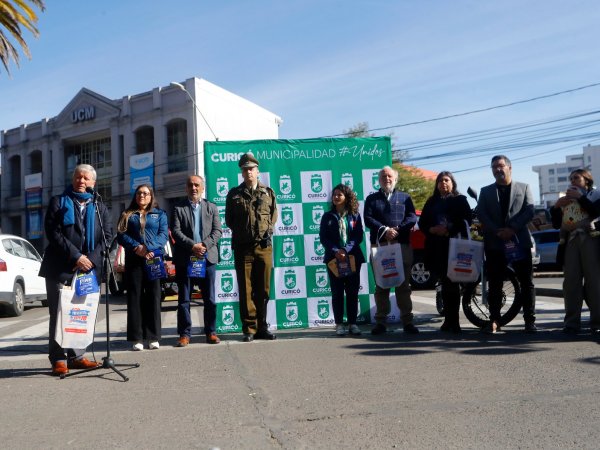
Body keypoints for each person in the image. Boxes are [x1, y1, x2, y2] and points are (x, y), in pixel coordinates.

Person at [39, 164, 113, 376]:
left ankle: (77, 356)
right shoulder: (59, 202)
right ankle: (59, 358)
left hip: (87, 269)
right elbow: (53, 233)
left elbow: (108, 237)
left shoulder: (99, 206)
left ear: (93, 183)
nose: (81, 181)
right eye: (78, 177)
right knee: (59, 313)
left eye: (86, 178)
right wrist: (77, 257)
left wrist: (90, 260)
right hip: (60, 267)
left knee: (80, 313)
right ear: (73, 180)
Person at [477, 155, 536, 333]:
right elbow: (482, 214)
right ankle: (494, 320)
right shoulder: (485, 191)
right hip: (495, 243)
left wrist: (512, 229)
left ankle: (529, 321)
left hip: (519, 242)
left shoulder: (524, 187)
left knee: (526, 282)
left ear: (509, 167)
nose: (497, 169)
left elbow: (529, 211)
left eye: (501, 166)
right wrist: (497, 231)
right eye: (494, 167)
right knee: (495, 283)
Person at [225, 153, 277, 342]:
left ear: (257, 171)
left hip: (263, 247)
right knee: (246, 290)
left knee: (263, 289)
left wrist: (264, 232)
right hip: (243, 248)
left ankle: (262, 327)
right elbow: (229, 220)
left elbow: (273, 216)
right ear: (242, 172)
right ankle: (249, 328)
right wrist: (244, 232)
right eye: (245, 169)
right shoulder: (234, 194)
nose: (248, 172)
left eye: (251, 169)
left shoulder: (268, 192)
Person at [364, 166, 419, 334]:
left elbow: (412, 217)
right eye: (383, 176)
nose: (386, 179)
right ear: (379, 180)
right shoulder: (371, 199)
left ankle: (407, 322)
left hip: (402, 245)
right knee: (382, 286)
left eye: (389, 176)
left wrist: (398, 229)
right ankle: (381, 322)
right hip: (380, 247)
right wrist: (385, 230)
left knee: (403, 286)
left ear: (395, 179)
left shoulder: (405, 197)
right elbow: (368, 218)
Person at [171, 175, 222, 346]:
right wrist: (193, 246)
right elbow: (176, 232)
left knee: (210, 299)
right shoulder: (178, 208)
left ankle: (211, 332)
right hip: (185, 259)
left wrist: (204, 245)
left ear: (203, 188)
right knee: (184, 300)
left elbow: (217, 231)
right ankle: (185, 334)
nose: (194, 188)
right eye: (190, 185)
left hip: (207, 259)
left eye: (197, 185)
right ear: (186, 188)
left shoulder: (212, 207)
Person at [117, 184, 168, 351]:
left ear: (151, 196)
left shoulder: (160, 214)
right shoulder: (127, 214)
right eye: (139, 193)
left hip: (154, 259)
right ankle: (137, 338)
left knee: (154, 297)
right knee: (135, 298)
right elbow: (121, 235)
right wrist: (137, 247)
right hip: (134, 260)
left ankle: (153, 337)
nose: (142, 196)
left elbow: (163, 235)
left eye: (145, 193)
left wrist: (149, 248)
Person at [419, 171, 472, 333]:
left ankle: (454, 321)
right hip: (436, 248)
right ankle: (448, 320)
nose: (443, 183)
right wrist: (432, 229)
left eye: (447, 180)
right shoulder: (431, 201)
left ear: (452, 183)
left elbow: (467, 220)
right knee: (444, 284)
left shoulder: (460, 200)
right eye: (440, 181)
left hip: (454, 246)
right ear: (437, 184)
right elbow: (422, 222)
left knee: (452, 284)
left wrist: (448, 229)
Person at [550, 169, 600, 335]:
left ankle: (597, 323)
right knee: (571, 282)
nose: (572, 181)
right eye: (571, 178)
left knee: (594, 282)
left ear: (587, 180)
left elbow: (596, 212)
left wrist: (581, 198)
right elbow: (556, 224)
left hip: (591, 239)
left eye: (576, 178)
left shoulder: (596, 195)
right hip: (570, 241)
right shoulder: (567, 199)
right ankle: (571, 323)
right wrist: (556, 207)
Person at [319, 184, 366, 336]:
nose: (336, 197)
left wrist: (345, 250)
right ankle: (339, 324)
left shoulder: (355, 215)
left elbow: (358, 236)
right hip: (333, 260)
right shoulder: (327, 216)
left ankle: (353, 323)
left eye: (339, 194)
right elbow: (323, 238)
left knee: (352, 292)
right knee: (337, 292)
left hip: (352, 257)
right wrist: (336, 251)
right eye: (334, 194)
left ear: (347, 197)